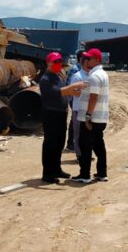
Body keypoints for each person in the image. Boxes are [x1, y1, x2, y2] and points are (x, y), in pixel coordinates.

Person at [39, 52, 84, 184]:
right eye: (55, 62)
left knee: (59, 143)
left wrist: (74, 91)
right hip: (50, 114)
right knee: (50, 144)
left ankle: (56, 169)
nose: (58, 65)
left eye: (59, 62)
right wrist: (71, 88)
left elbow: (65, 91)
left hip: (61, 113)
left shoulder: (59, 76)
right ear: (48, 63)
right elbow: (56, 92)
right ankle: (47, 173)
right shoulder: (46, 79)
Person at [72, 48, 110, 184]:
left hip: (92, 118)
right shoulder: (103, 74)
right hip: (100, 118)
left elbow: (93, 97)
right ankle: (101, 173)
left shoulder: (94, 76)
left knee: (85, 145)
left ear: (97, 60)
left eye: (89, 58)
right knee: (99, 145)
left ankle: (85, 175)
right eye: (86, 58)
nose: (86, 60)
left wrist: (88, 116)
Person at [67, 55, 89, 156]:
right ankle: (80, 155)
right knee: (78, 134)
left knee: (88, 134)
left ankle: (86, 153)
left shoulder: (91, 76)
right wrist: (88, 94)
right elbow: (71, 91)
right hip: (79, 109)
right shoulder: (77, 76)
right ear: (85, 63)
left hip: (89, 109)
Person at [65, 50, 85, 152]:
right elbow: (69, 87)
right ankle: (71, 144)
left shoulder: (83, 69)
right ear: (80, 58)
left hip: (80, 99)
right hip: (74, 99)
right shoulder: (75, 69)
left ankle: (74, 143)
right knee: (75, 121)